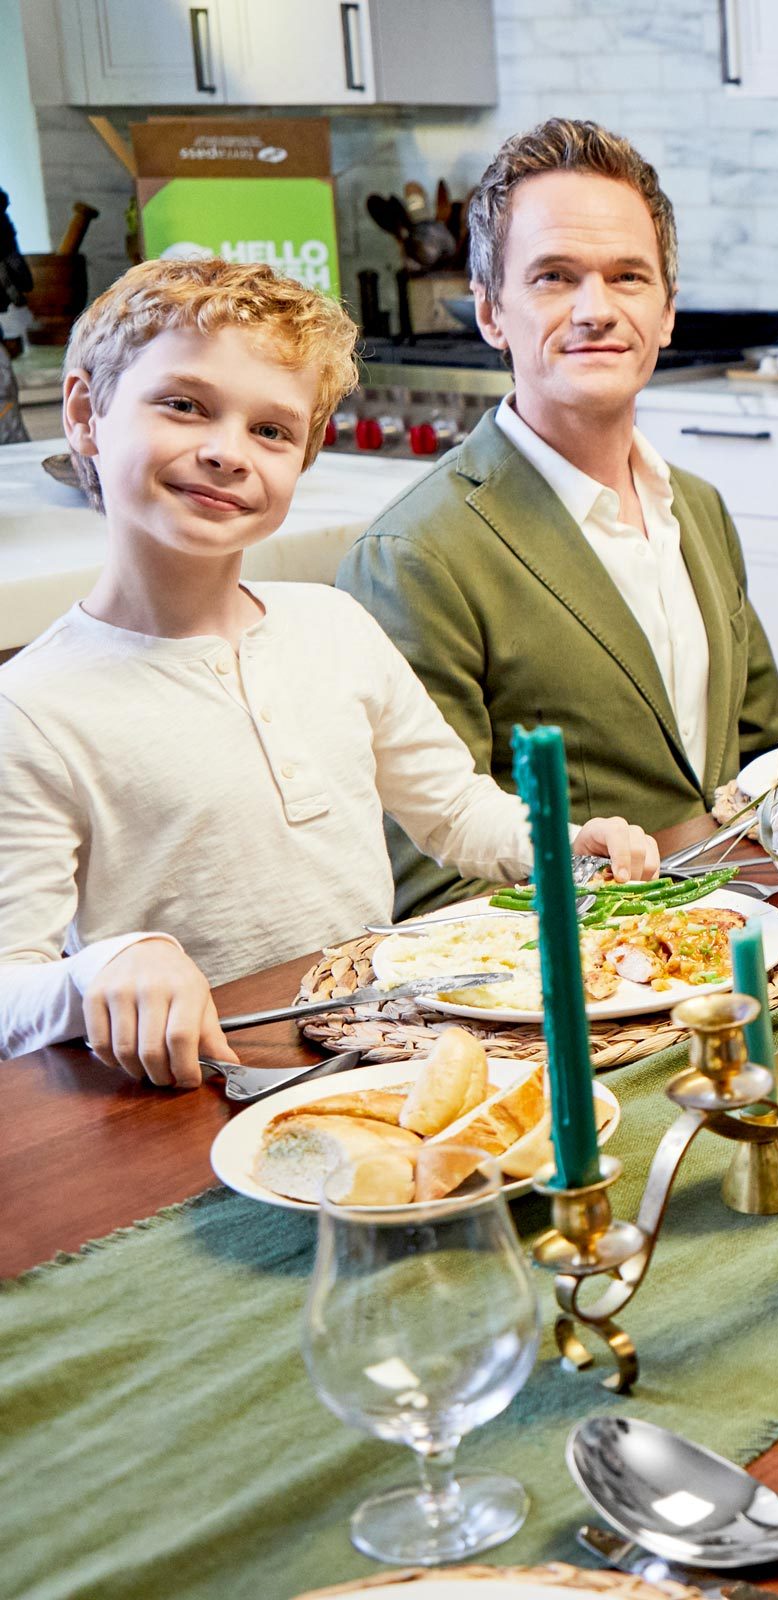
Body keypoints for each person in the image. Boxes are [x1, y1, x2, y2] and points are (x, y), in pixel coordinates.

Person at [0, 258, 659, 1085]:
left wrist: (559, 845)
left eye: (271, 430)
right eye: (183, 405)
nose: (226, 452)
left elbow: (454, 812)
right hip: (189, 1092)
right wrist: (99, 970)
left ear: (303, 460)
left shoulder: (335, 627)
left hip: (379, 1053)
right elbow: (9, 990)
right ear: (87, 414)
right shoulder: (32, 708)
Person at [342, 118, 778, 919]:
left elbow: (774, 757)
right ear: (490, 312)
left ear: (666, 312)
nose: (597, 309)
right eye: (554, 277)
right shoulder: (414, 556)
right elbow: (434, 886)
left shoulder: (697, 507)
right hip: (578, 997)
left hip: (751, 943)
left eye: (629, 277)